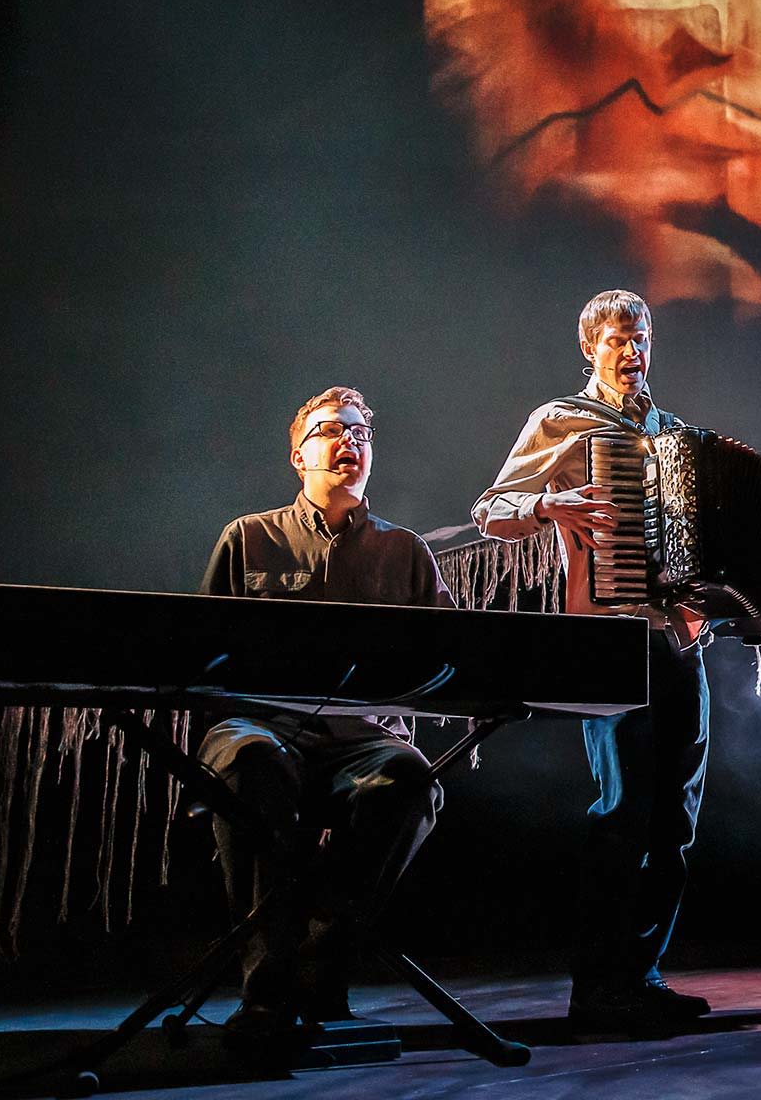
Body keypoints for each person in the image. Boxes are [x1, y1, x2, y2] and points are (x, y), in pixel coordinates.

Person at [473, 288, 761, 1034]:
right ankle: (599, 985)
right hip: (609, 639)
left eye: (642, 336)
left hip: (680, 640)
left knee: (675, 816)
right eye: (620, 338)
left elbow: (713, 550)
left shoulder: (674, 434)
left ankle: (641, 974)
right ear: (590, 346)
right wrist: (546, 509)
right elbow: (490, 509)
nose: (633, 351)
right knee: (622, 810)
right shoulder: (561, 421)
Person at [197, 386, 451, 1043]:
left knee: (410, 779)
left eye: (362, 434)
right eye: (333, 430)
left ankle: (321, 955)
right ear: (297, 455)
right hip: (261, 726)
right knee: (251, 762)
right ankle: (267, 996)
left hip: (363, 737)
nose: (351, 443)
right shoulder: (248, 537)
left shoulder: (407, 552)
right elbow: (198, 656)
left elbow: (457, 657)